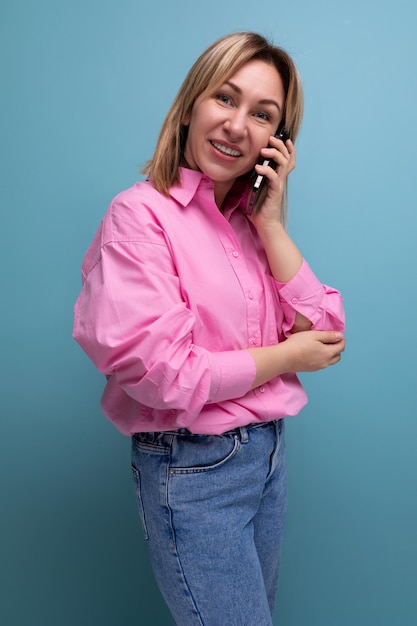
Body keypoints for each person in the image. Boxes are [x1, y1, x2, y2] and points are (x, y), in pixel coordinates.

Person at [73, 31, 345, 626]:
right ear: (193, 103)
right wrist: (282, 358)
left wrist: (271, 223)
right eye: (225, 98)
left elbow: (324, 333)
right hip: (194, 470)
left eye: (262, 115)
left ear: (278, 141)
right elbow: (163, 374)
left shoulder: (249, 228)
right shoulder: (139, 216)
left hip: (267, 459)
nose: (237, 125)